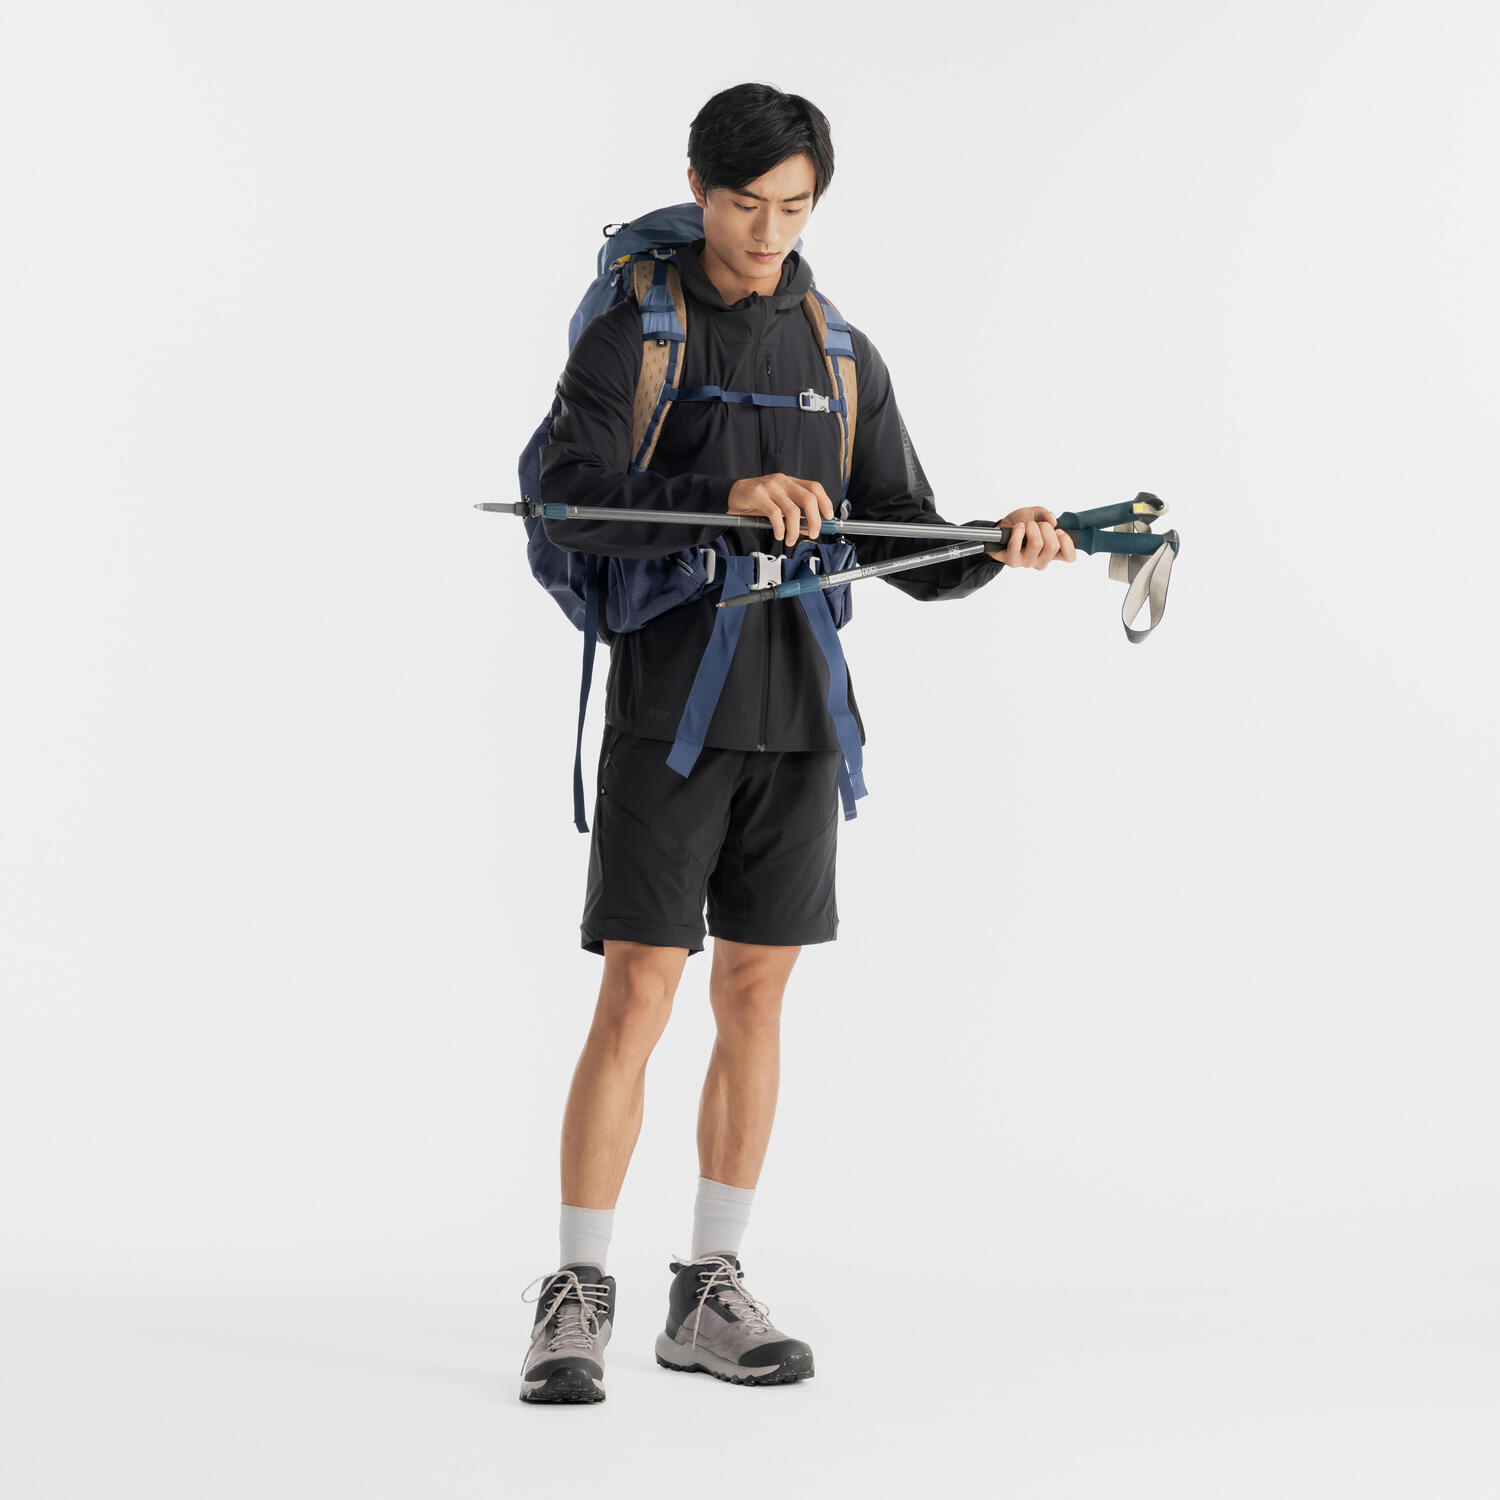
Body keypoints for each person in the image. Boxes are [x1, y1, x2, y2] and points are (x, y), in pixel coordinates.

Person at [518, 82, 1074, 1405]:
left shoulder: (841, 351)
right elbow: (564, 494)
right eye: (743, 205)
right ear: (698, 188)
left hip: (804, 717)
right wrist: (725, 495)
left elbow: (904, 535)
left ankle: (708, 1290)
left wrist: (996, 544)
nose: (768, 233)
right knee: (639, 991)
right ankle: (574, 1295)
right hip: (671, 710)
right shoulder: (635, 329)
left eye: (794, 207)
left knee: (757, 995)